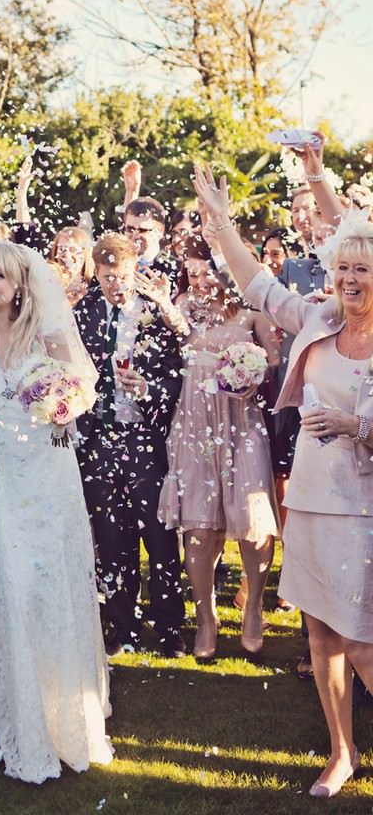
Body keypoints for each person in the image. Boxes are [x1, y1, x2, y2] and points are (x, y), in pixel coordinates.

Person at [193, 152, 373, 800]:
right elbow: (257, 284)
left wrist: (358, 429)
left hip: (367, 507)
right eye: (342, 268)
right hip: (316, 502)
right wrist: (222, 225)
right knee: (321, 632)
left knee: (361, 639)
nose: (349, 279)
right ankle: (342, 754)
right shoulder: (319, 319)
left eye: (362, 269)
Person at [0, 241, 113, 783]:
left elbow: (84, 387)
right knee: (10, 583)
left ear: (19, 287)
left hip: (51, 475)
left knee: (50, 583)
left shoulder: (46, 334)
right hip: (5, 478)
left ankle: (60, 706)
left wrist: (63, 404)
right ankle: (11, 707)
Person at [157, 235, 279, 661]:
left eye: (203, 269)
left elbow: (275, 361)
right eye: (190, 271)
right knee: (200, 525)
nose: (197, 279)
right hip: (194, 423)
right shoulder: (180, 306)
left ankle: (254, 604)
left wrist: (250, 373)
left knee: (253, 517)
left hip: (242, 422)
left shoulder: (250, 308)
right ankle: (206, 615)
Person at [74, 233, 186, 657]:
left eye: (120, 277)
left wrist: (148, 388)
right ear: (96, 274)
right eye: (106, 278)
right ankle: (122, 627)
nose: (114, 286)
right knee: (111, 534)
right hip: (98, 439)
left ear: (134, 270)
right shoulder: (82, 313)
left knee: (158, 534)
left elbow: (177, 376)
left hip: (143, 437)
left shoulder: (155, 313)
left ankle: (169, 625)